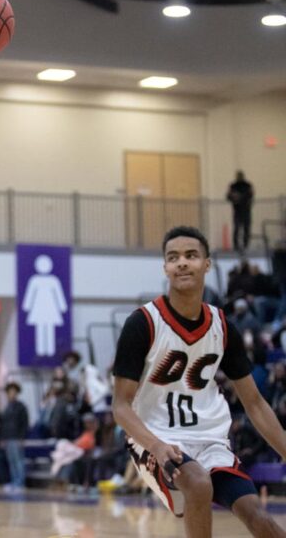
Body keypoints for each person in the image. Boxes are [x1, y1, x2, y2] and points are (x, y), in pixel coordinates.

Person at [112, 226, 286, 538]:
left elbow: (256, 403)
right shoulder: (142, 323)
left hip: (209, 439)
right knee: (198, 482)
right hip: (154, 436)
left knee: (262, 520)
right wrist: (157, 446)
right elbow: (121, 407)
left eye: (191, 256)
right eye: (173, 257)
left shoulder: (223, 326)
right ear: (165, 267)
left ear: (207, 264)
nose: (182, 263)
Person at [0, 381, 29, 491]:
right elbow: (4, 424)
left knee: (18, 461)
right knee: (11, 461)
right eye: (9, 392)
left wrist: (22, 437)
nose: (11, 394)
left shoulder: (21, 407)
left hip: (17, 438)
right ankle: (14, 481)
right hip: (8, 438)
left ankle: (20, 482)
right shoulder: (7, 408)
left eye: (14, 392)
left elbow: (25, 423)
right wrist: (3, 438)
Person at [226, 171, 254, 253]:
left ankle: (245, 245)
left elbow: (251, 195)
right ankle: (236, 246)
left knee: (246, 229)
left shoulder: (247, 185)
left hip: (246, 210)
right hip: (237, 211)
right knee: (237, 229)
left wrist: (239, 197)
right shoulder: (233, 186)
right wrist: (234, 197)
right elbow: (228, 196)